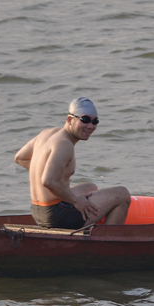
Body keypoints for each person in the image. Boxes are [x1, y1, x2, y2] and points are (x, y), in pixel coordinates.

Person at [15, 97, 130, 229]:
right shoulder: (64, 144)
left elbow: (20, 157)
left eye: (95, 121)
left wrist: (44, 172)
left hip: (38, 211)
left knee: (90, 187)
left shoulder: (47, 134)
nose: (90, 126)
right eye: (85, 120)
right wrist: (75, 200)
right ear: (69, 120)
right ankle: (108, 244)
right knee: (122, 194)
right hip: (56, 216)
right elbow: (49, 181)